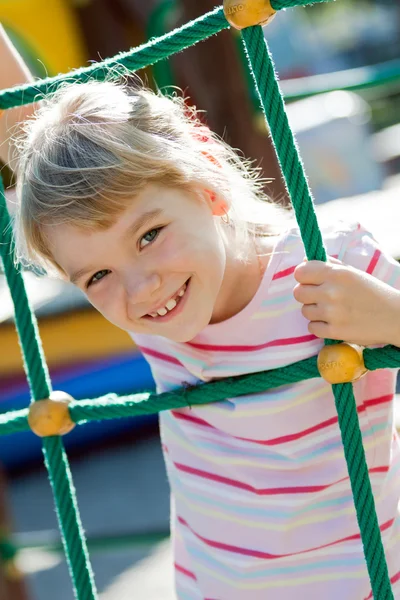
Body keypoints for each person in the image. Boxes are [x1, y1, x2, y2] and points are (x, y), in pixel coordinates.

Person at [7, 70, 400, 599]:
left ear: (208, 184)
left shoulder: (330, 268)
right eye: (97, 276)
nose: (141, 287)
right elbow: (26, 134)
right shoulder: (160, 322)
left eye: (149, 235)